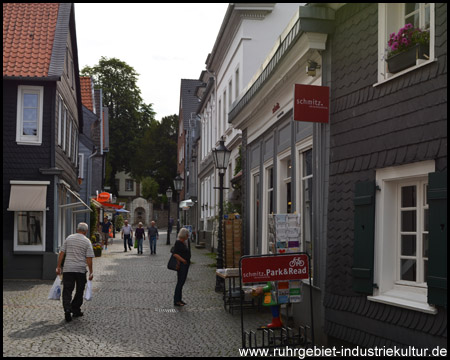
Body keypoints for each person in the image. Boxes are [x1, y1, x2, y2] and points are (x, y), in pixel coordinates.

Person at [56, 222, 94, 322]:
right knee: (80, 290)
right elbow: (89, 258)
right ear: (86, 231)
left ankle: (67, 309)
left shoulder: (69, 238)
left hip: (68, 268)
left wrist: (58, 266)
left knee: (67, 290)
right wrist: (91, 272)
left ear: (77, 229)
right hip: (80, 270)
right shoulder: (87, 241)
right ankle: (75, 309)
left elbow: (62, 253)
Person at [172, 228, 191, 307]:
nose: (188, 236)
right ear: (185, 235)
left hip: (185, 265)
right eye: (187, 234)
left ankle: (179, 299)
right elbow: (175, 254)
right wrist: (183, 260)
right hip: (182, 265)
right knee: (180, 283)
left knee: (182, 283)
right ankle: (176, 300)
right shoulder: (178, 243)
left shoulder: (184, 242)